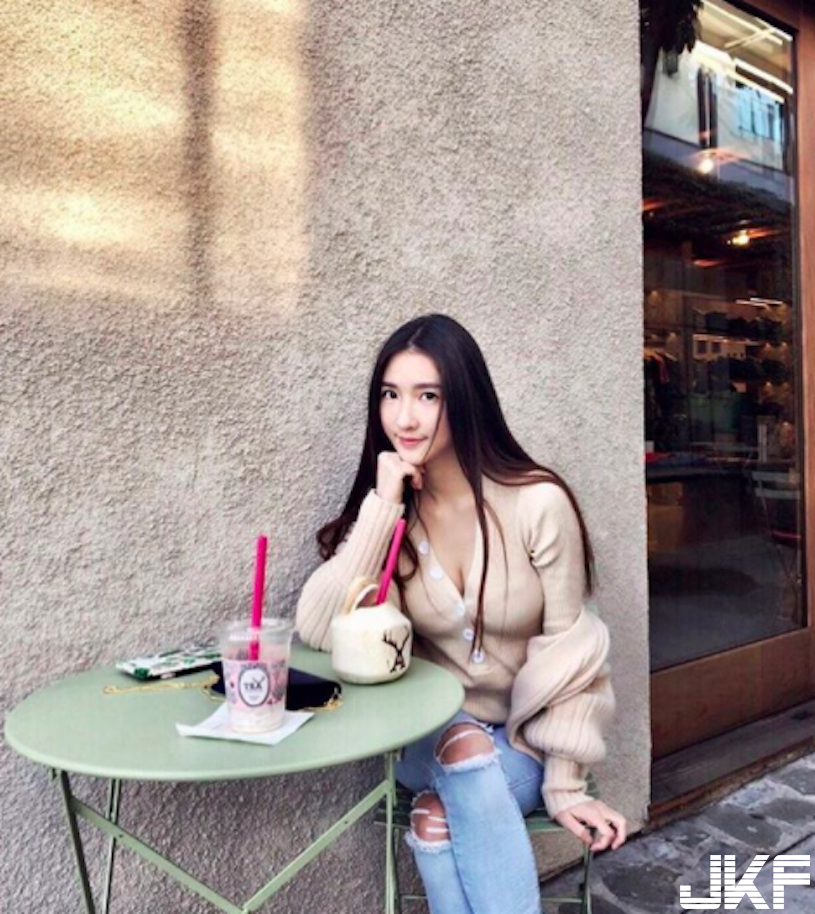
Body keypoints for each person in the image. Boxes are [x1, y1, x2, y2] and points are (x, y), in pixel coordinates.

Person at [296, 314, 627, 914]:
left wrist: (565, 784)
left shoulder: (537, 504)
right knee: (461, 746)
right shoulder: (395, 519)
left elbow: (572, 654)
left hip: (519, 740)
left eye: (428, 396)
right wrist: (383, 507)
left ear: (466, 399)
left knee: (434, 817)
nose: (404, 418)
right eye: (391, 395)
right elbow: (319, 630)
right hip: (426, 736)